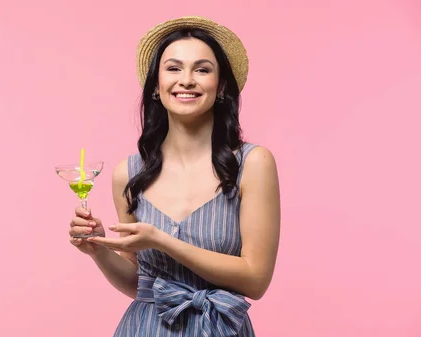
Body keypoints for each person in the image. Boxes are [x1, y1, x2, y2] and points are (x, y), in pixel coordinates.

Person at [68, 16, 281, 337]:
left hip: (219, 328)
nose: (187, 80)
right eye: (173, 68)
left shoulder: (253, 164)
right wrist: (97, 249)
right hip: (144, 328)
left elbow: (256, 279)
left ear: (221, 86)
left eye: (202, 69)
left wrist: (162, 241)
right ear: (156, 85)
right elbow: (136, 283)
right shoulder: (128, 173)